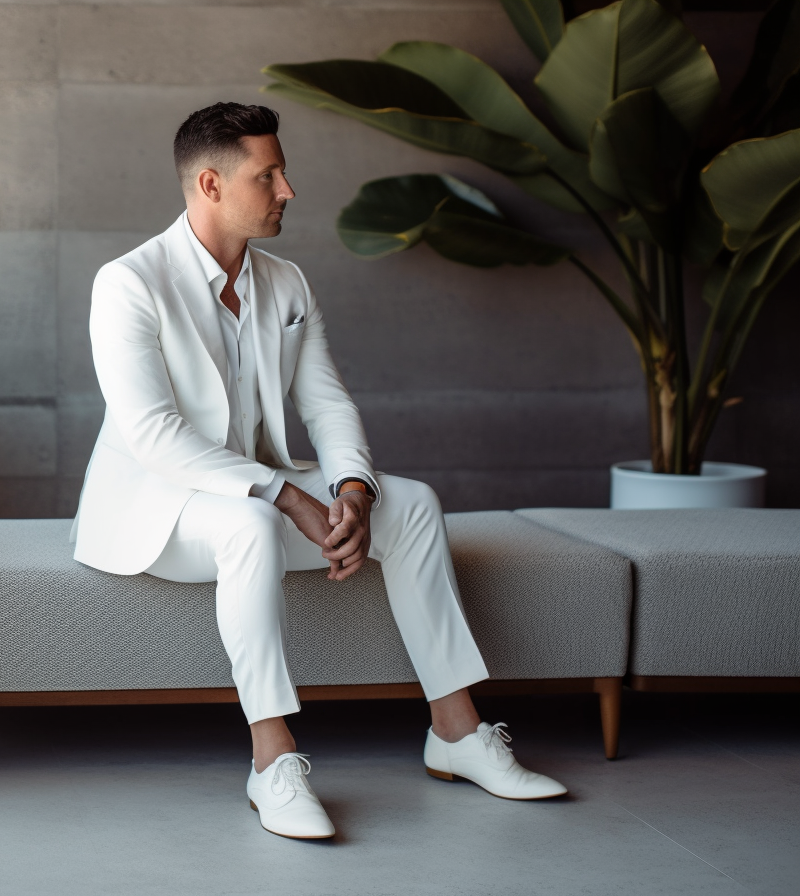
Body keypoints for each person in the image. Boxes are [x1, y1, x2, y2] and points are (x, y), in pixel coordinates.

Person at [69, 102, 567, 840]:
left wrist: (353, 490)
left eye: (282, 171)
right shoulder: (129, 283)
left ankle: (456, 734)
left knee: (416, 503)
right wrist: (285, 493)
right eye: (267, 174)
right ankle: (273, 763)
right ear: (210, 184)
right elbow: (152, 434)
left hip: (260, 492)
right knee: (249, 522)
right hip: (159, 509)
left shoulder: (288, 283)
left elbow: (327, 401)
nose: (288, 189)